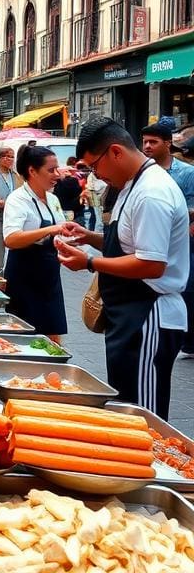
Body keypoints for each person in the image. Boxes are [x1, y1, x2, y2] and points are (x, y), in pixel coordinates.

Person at [56, 117, 189, 419]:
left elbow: (151, 264)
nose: (97, 176)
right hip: (129, 316)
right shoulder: (133, 184)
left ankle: (155, 466)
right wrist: (88, 237)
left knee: (143, 415)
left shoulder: (151, 192)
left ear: (115, 151)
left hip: (148, 313)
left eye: (94, 166)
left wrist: (88, 261)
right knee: (127, 405)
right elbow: (131, 244)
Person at [2, 145, 68, 343]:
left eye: (57, 169)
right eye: (51, 170)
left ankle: (55, 370)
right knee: (23, 336)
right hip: (24, 276)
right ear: (32, 171)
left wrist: (68, 241)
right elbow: (11, 238)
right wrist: (49, 230)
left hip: (49, 275)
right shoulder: (17, 199)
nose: (56, 174)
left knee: (53, 332)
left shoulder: (53, 199)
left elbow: (59, 230)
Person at [140, 118, 194, 360]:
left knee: (187, 286)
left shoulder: (186, 173)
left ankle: (187, 338)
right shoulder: (142, 172)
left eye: (153, 142)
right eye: (144, 142)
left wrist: (180, 218)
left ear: (168, 144)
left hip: (181, 239)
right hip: (152, 239)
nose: (148, 147)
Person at [54, 156, 87, 226]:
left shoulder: (56, 183)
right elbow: (78, 199)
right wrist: (81, 196)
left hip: (62, 213)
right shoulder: (73, 181)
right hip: (76, 213)